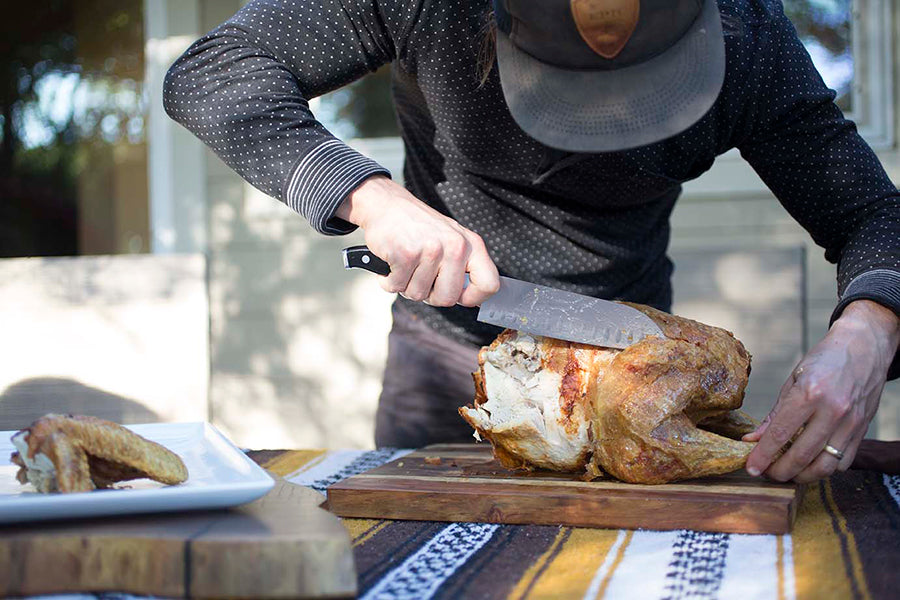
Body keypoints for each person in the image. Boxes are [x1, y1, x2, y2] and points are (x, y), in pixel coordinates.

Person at [164, 0, 899, 484]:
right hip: (449, 357)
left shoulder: (749, 32)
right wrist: (371, 196)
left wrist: (870, 331)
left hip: (638, 381)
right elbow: (213, 74)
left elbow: (876, 216)